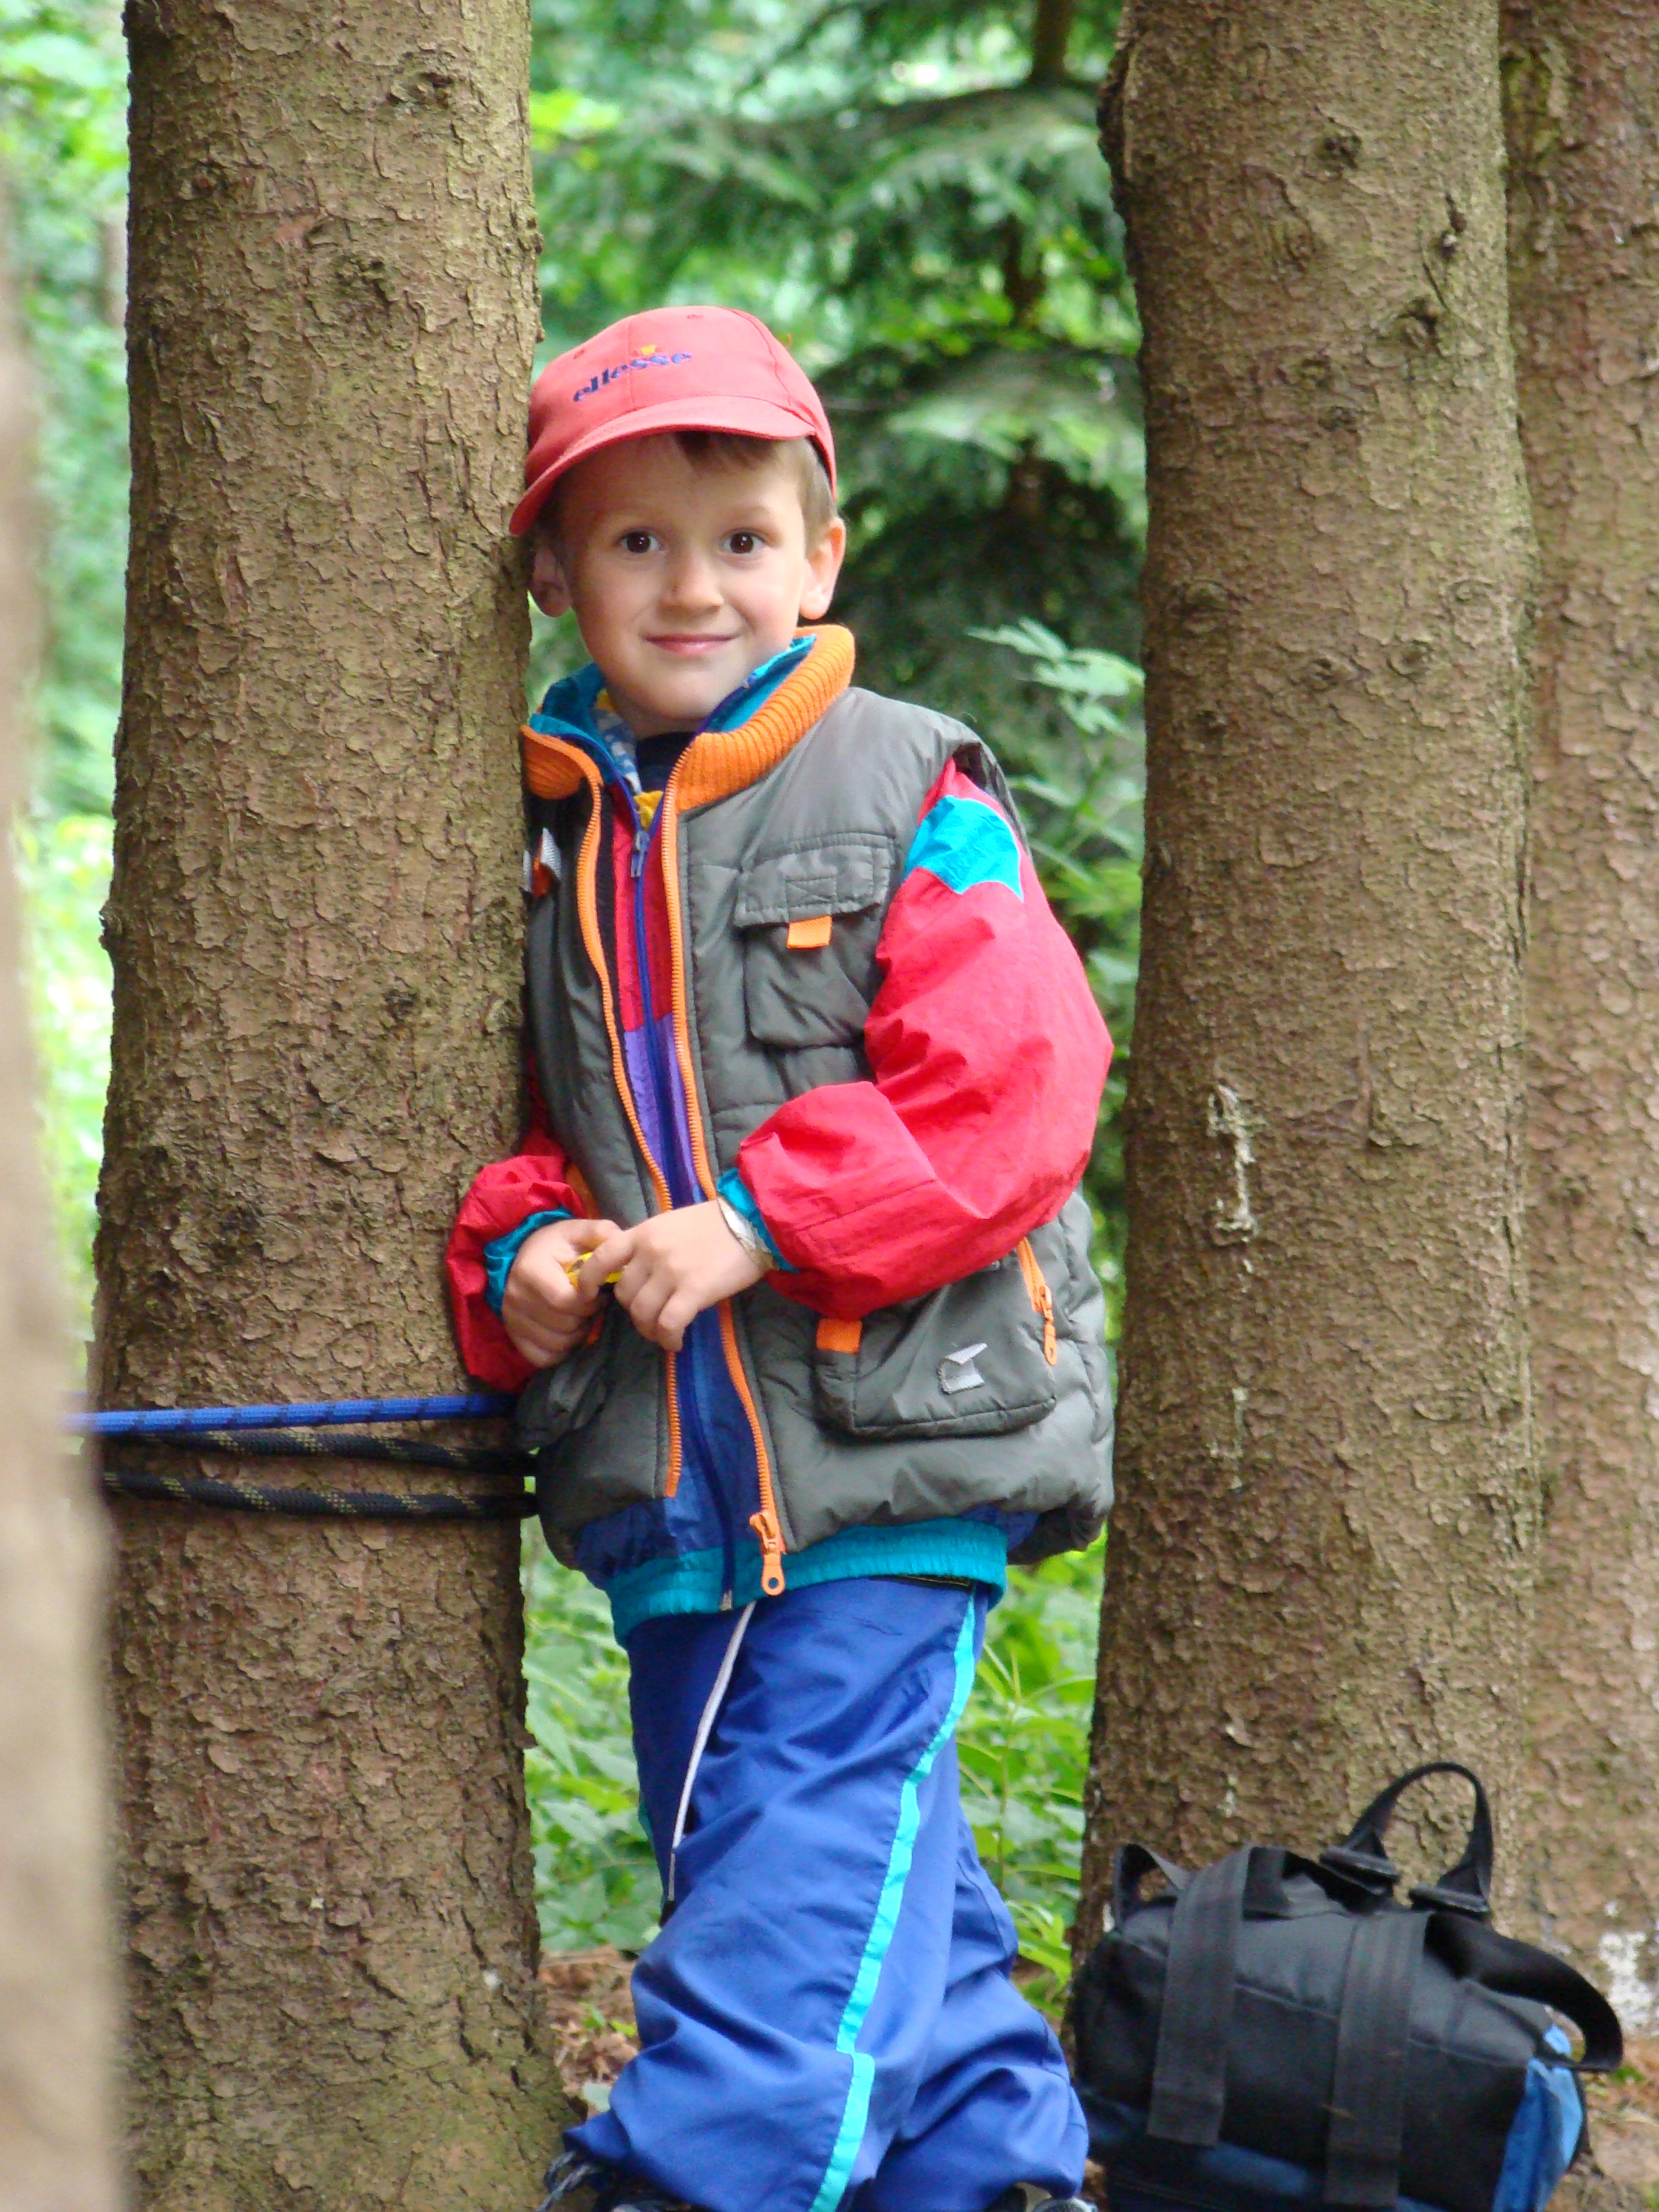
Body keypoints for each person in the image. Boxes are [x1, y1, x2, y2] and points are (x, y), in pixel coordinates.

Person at [447, 304, 1114, 2212]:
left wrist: (761, 1220)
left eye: (740, 538)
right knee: (832, 1851)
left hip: (888, 1446)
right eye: (636, 542)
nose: (693, 586)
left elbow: (1016, 1085)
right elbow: (527, 1126)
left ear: (821, 559)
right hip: (674, 1472)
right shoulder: (543, 842)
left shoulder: (907, 789)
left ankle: (696, 2172)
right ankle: (988, 2168)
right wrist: (531, 1255)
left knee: (798, 1844)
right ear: (557, 574)